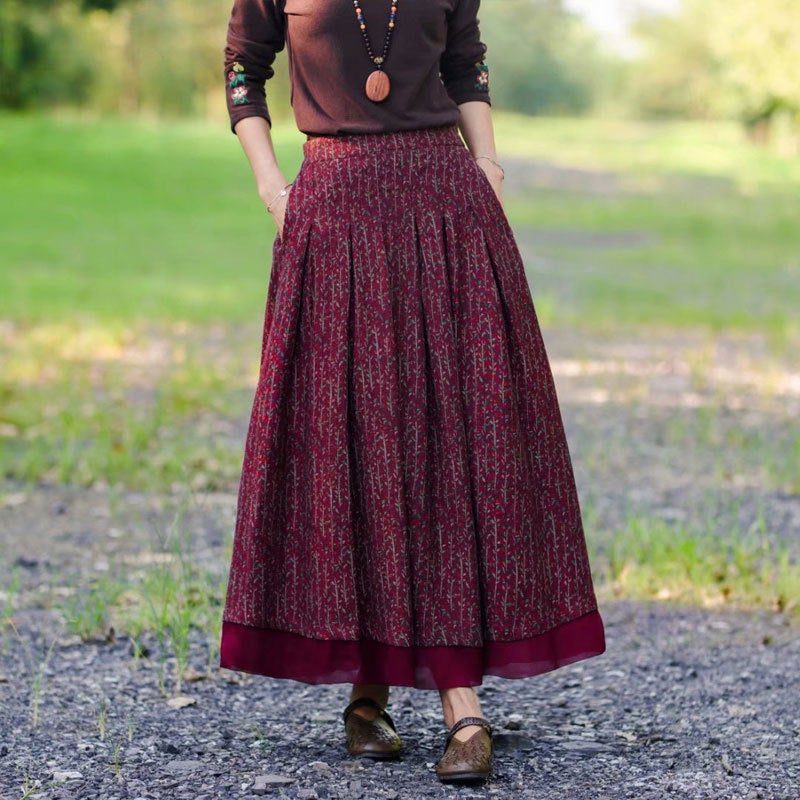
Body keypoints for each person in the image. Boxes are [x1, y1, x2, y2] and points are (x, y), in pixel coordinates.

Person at [218, 0, 606, 785]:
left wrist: (487, 165)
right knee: (349, 439)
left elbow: (468, 66)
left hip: (444, 206)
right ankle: (367, 693)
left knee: (450, 438)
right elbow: (241, 73)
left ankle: (461, 703)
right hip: (331, 207)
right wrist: (271, 186)